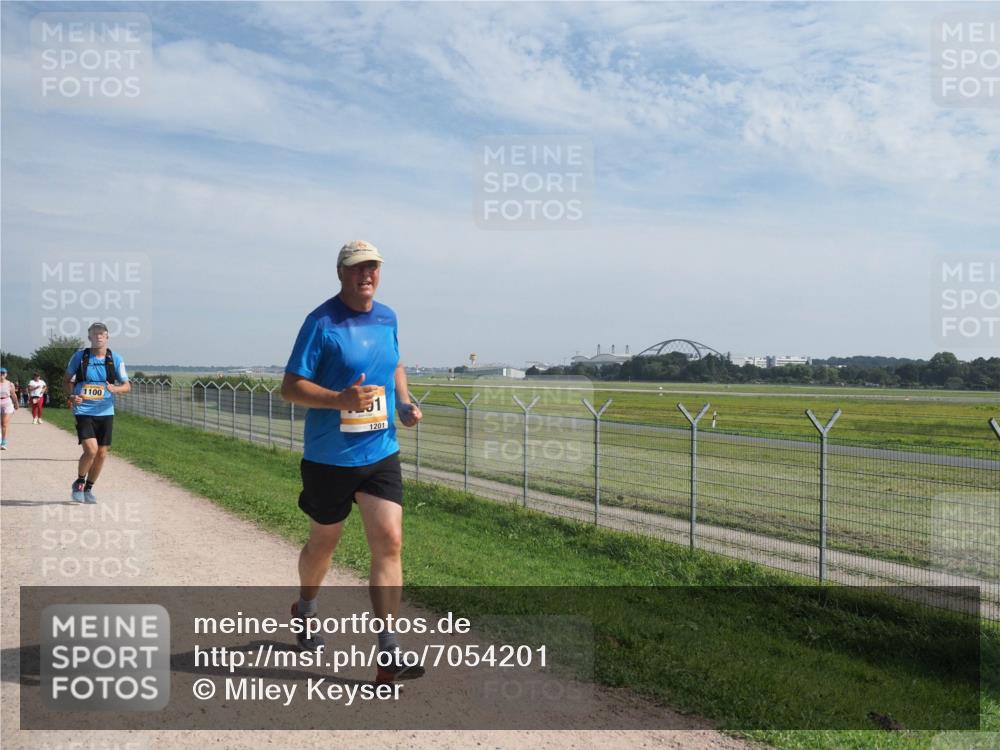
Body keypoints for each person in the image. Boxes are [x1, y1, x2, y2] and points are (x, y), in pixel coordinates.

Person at [281, 240, 424, 683]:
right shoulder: (321, 322)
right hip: (329, 457)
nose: (367, 275)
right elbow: (290, 387)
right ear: (341, 273)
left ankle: (389, 652)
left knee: (390, 542)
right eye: (358, 268)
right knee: (323, 545)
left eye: (373, 267)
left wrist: (402, 400)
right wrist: (339, 399)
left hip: (380, 449)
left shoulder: (388, 317)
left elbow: (395, 363)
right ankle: (305, 607)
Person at [63, 322, 131, 503]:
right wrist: (71, 396)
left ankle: (89, 488)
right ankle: (79, 481)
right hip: (83, 409)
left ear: (107, 337)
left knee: (102, 453)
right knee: (91, 450)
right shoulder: (80, 357)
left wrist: (115, 389)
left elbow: (127, 385)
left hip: (105, 411)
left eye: (102, 334)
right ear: (90, 337)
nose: (98, 337)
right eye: (95, 334)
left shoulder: (115, 359)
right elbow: (67, 380)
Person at [0, 368, 17, 450]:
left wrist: (16, 404)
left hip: (7, 403)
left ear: (6, 374)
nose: (1, 374)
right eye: (0, 373)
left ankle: (3, 442)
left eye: (3, 373)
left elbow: (13, 394)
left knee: (4, 423)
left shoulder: (10, 384)